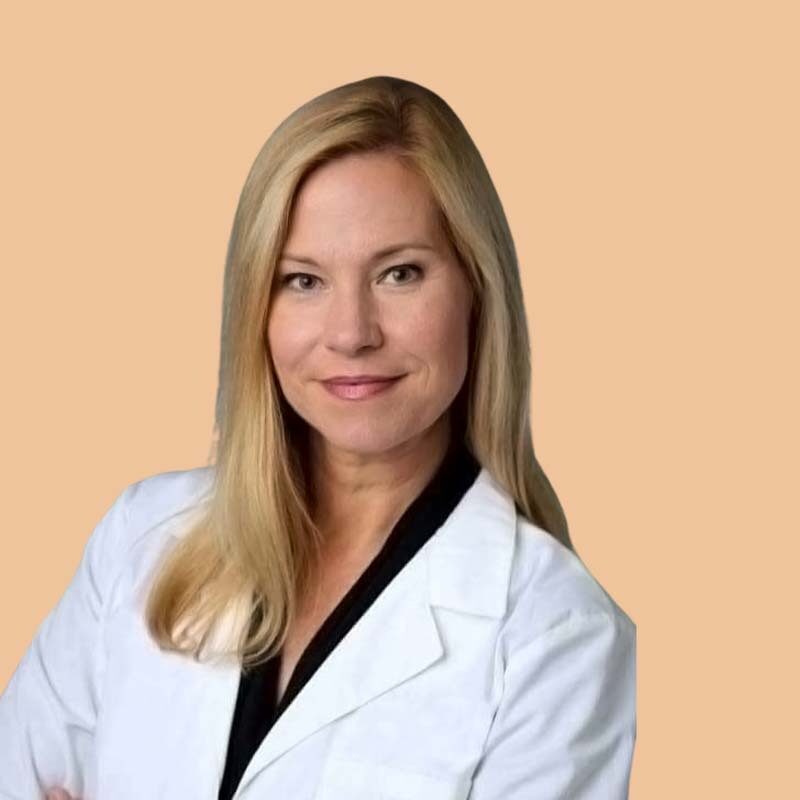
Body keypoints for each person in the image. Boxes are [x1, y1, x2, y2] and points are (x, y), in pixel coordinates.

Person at [1, 75, 636, 799]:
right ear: (257, 307)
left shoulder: (556, 632)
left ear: (476, 291)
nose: (351, 334)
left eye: (399, 274)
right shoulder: (140, 539)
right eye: (303, 281)